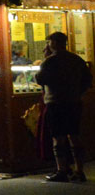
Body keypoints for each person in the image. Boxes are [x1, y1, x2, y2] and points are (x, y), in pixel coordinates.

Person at [35, 31, 92, 182]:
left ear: (53, 43)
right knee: (74, 136)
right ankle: (79, 170)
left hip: (55, 102)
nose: (47, 45)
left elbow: (39, 79)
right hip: (74, 102)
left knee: (58, 138)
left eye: (48, 42)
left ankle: (62, 170)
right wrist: (77, 92)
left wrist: (45, 60)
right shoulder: (77, 60)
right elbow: (88, 80)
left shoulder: (50, 61)